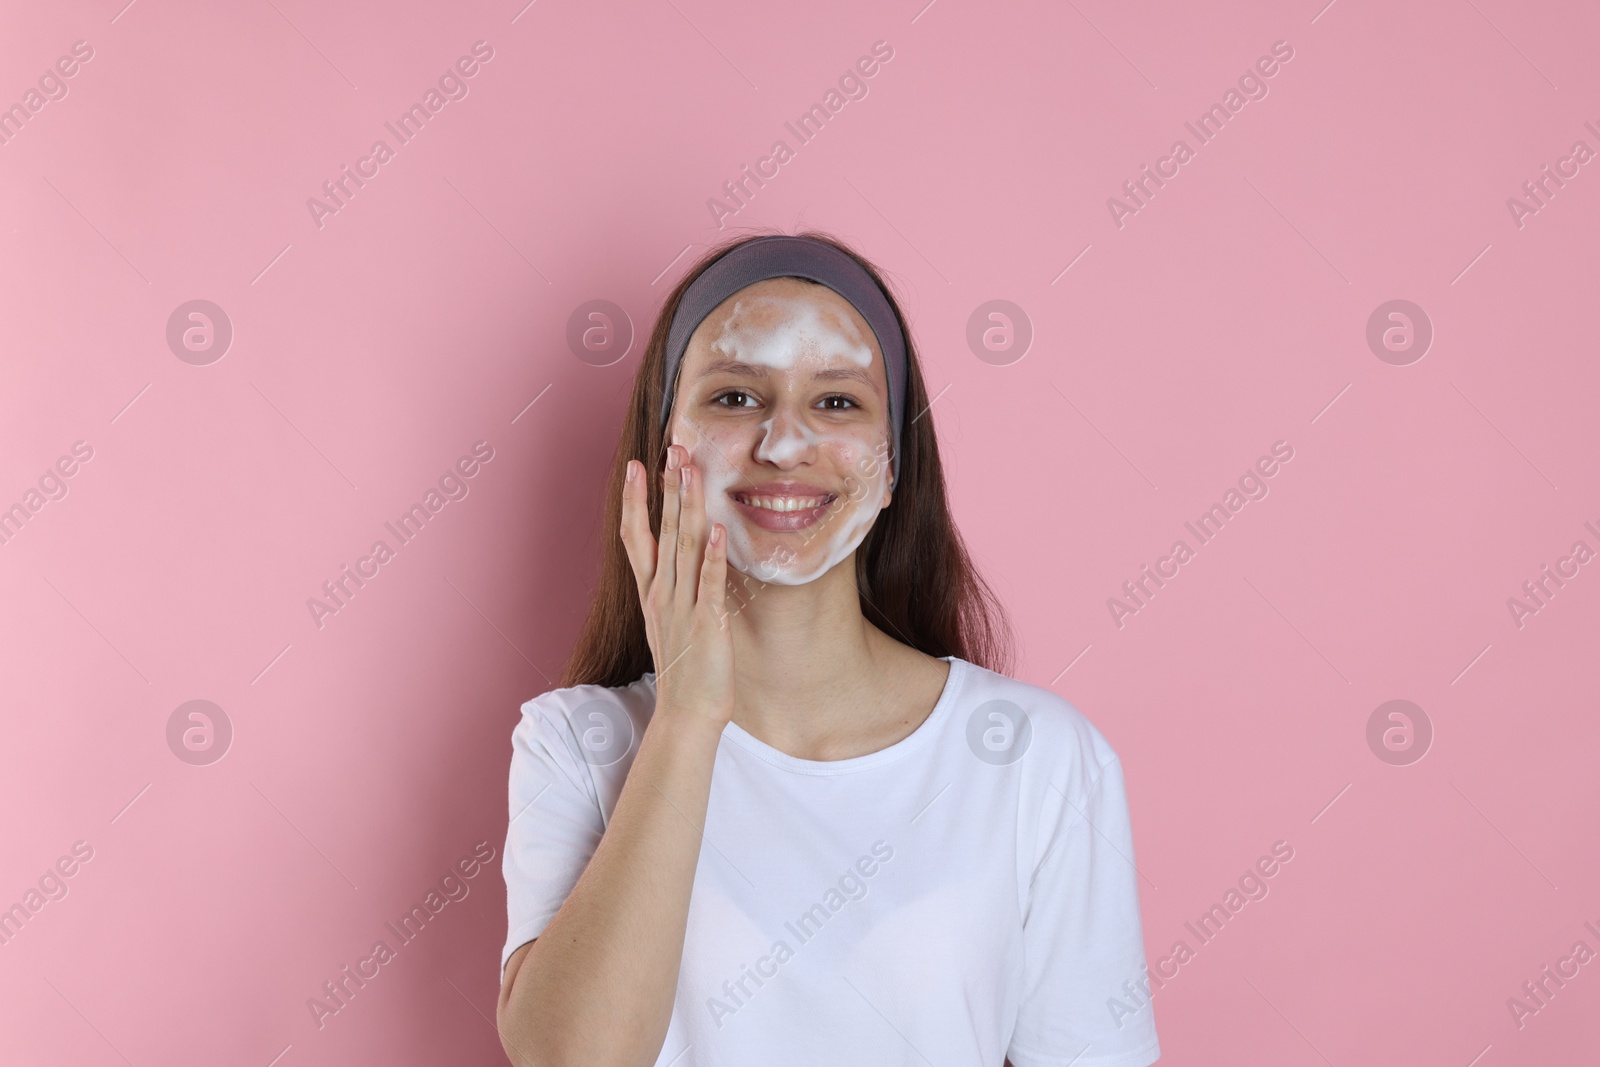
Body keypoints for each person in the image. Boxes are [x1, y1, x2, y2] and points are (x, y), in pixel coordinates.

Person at [495, 231, 1161, 1067]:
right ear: (666, 448)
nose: (782, 443)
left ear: (891, 468)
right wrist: (689, 717)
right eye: (735, 397)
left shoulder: (1039, 759)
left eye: (837, 402)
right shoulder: (576, 744)